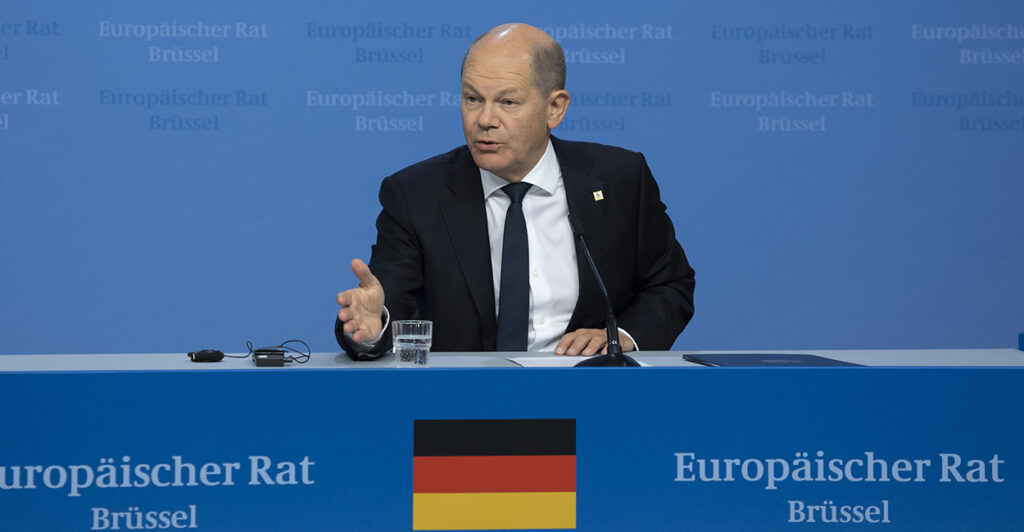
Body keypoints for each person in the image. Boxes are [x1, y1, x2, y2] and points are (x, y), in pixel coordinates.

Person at [335, 23, 694, 359]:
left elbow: (669, 285)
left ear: (555, 108)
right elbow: (390, 299)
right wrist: (374, 324)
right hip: (463, 408)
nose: (484, 119)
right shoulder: (416, 195)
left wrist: (622, 336)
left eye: (508, 102)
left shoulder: (619, 180)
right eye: (473, 99)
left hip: (591, 394)